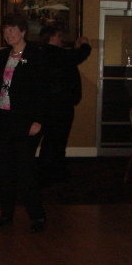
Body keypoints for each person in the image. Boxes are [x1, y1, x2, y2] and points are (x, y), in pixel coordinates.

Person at [0, 14, 48, 233]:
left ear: (23, 31)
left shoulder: (37, 55)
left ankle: (37, 216)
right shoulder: (1, 55)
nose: (8, 34)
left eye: (12, 29)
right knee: (5, 171)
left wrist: (38, 119)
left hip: (26, 122)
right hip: (3, 121)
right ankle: (6, 214)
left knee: (25, 170)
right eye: (5, 30)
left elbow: (44, 90)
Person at [38, 26, 91, 185]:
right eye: (59, 36)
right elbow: (79, 55)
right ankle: (51, 173)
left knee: (53, 140)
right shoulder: (54, 53)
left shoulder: (47, 53)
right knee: (56, 141)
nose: (62, 39)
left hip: (53, 105)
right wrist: (85, 45)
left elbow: (70, 57)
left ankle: (53, 170)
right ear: (53, 37)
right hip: (59, 106)